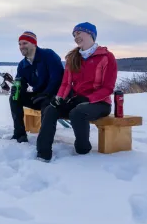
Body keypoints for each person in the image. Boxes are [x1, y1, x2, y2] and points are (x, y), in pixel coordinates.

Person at [36, 22, 118, 162]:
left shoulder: (106, 57)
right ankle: (43, 153)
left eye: (79, 33)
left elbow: (108, 88)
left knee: (77, 112)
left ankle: (83, 150)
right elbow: (66, 83)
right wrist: (59, 98)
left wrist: (87, 99)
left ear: (90, 34)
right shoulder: (72, 58)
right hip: (76, 101)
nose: (76, 36)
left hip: (100, 103)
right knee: (51, 109)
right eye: (74, 35)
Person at [9, 31, 64, 142]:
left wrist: (47, 93)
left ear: (34, 44)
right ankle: (19, 135)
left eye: (25, 43)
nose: (21, 46)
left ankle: (44, 140)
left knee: (46, 103)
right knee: (14, 98)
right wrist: (16, 88)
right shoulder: (22, 65)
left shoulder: (48, 55)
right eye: (19, 44)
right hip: (39, 96)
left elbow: (57, 78)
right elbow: (22, 83)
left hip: (55, 96)